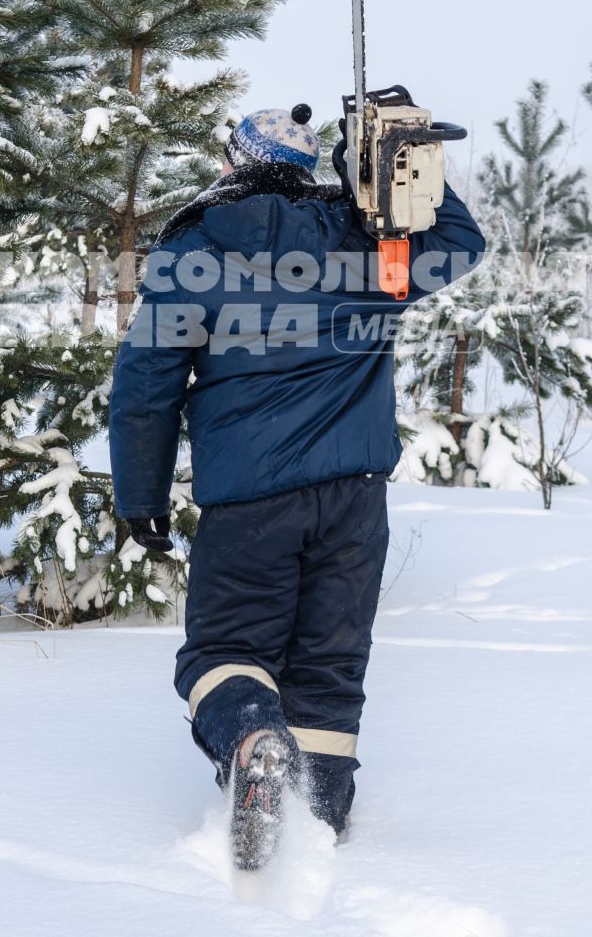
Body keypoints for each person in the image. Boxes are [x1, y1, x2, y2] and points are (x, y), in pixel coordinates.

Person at [108, 96, 484, 869]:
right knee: (329, 665)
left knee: (223, 649)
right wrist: (395, 161)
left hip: (248, 500)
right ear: (308, 168)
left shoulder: (194, 251)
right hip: (356, 500)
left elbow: (145, 385)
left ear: (233, 162)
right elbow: (458, 241)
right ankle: (318, 823)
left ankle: (253, 739)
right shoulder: (365, 244)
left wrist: (141, 499)